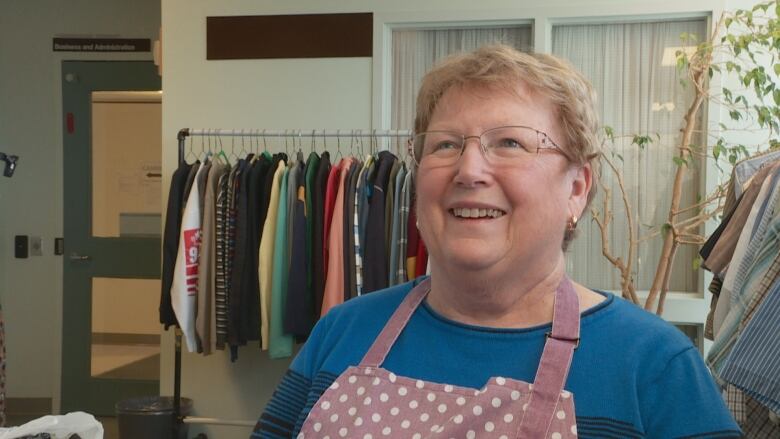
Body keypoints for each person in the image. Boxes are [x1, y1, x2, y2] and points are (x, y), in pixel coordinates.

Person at [252, 44, 740, 438]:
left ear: (576, 189)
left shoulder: (653, 366)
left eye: (510, 143)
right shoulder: (341, 332)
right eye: (444, 144)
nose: (468, 170)